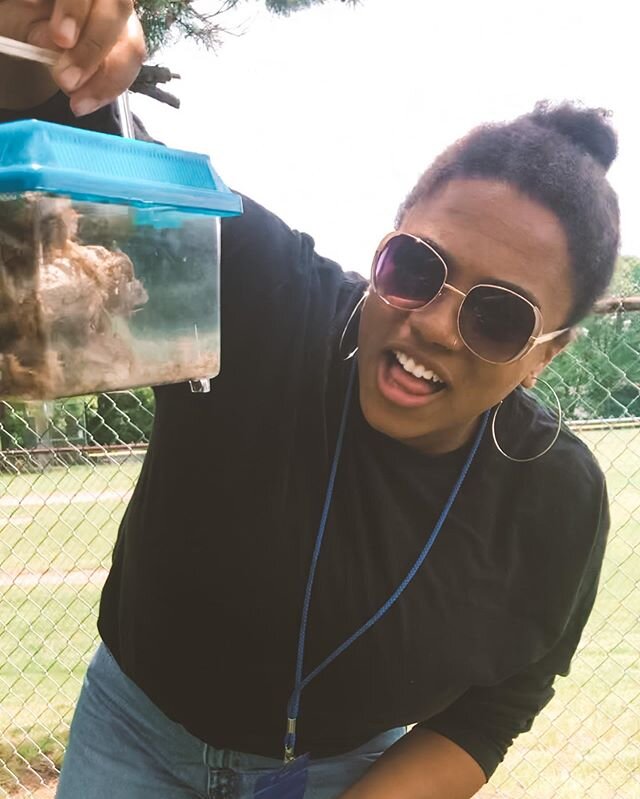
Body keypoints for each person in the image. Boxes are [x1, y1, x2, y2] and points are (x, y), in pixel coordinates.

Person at [0, 3, 619, 798]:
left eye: (499, 317)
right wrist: (43, 48)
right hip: (133, 742)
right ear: (386, 242)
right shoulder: (264, 300)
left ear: (548, 352)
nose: (430, 323)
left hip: (346, 771)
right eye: (417, 267)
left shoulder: (553, 500)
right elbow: (83, 155)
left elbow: (497, 705)